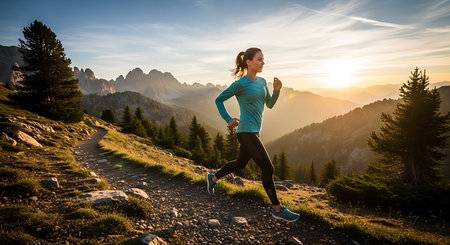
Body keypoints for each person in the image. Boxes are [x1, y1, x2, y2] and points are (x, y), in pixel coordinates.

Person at [206, 47, 300, 222]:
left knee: (240, 163)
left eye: (263, 59)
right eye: (259, 59)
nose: (263, 62)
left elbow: (269, 105)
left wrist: (277, 91)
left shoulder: (263, 82)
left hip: (255, 132)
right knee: (268, 168)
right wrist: (228, 119)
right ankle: (277, 209)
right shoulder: (240, 84)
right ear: (248, 62)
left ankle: (214, 177)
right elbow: (218, 100)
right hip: (245, 132)